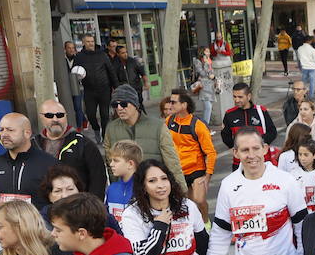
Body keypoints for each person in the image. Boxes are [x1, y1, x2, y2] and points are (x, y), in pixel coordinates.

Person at [205, 128, 307, 255]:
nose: (251, 155)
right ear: (236, 153)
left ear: (265, 149)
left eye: (255, 148)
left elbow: (302, 225)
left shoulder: (284, 181)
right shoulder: (228, 185)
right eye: (244, 150)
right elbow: (221, 231)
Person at [105, 87, 186, 184]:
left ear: (135, 104)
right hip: (126, 190)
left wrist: (181, 191)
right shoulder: (111, 128)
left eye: (123, 104)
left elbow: (173, 163)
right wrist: (116, 187)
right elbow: (110, 164)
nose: (119, 108)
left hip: (153, 189)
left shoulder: (158, 126)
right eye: (115, 105)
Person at [37, 98, 109, 199]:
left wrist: (92, 207)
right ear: (41, 118)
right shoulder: (34, 144)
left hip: (77, 208)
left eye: (60, 115)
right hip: (43, 209)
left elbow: (98, 179)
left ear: (66, 116)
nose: (55, 119)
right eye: (49, 115)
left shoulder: (84, 144)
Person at [163, 89, 216, 219]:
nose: (170, 105)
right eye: (170, 102)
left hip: (196, 169)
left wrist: (207, 176)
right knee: (186, 205)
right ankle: (193, 229)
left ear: (184, 105)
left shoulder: (198, 125)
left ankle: (206, 224)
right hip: (178, 171)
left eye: (174, 102)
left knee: (199, 200)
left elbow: (211, 152)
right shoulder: (169, 121)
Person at [0, 113, 59, 206]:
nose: (4, 134)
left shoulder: (49, 164)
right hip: (6, 219)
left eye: (10, 130)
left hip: (40, 219)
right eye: (1, 130)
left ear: (27, 133)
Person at [221, 83, 278, 158]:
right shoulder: (229, 114)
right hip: (239, 162)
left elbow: (272, 132)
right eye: (234, 97)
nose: (236, 100)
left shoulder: (261, 111)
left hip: (260, 159)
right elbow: (225, 135)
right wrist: (238, 148)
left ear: (249, 96)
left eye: (240, 97)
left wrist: (258, 144)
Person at [73, 35, 116, 134]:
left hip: (104, 89)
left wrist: (116, 87)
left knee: (105, 115)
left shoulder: (102, 54)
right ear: (83, 43)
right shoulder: (79, 57)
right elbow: (74, 73)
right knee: (91, 115)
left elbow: (111, 71)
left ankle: (105, 135)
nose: (91, 43)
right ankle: (96, 129)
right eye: (88, 41)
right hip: (89, 90)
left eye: (92, 41)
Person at [191, 46, 218, 127]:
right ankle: (205, 127)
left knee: (209, 107)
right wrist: (206, 64)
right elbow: (201, 73)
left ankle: (205, 126)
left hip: (210, 86)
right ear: (202, 52)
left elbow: (212, 72)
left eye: (209, 52)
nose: (208, 53)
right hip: (203, 86)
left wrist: (213, 76)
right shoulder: (198, 61)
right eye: (207, 52)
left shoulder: (210, 61)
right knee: (208, 107)